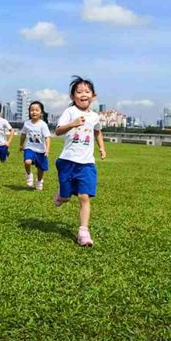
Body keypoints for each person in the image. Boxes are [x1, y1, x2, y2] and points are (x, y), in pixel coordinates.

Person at [53, 76, 107, 247]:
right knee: (66, 197)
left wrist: (101, 148)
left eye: (87, 91)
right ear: (72, 97)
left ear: (94, 96)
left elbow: (97, 132)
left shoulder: (94, 116)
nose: (83, 94)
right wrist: (73, 124)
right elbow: (58, 130)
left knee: (84, 196)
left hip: (87, 163)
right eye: (79, 92)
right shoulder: (70, 112)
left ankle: (83, 231)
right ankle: (62, 195)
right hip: (67, 161)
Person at [19, 101, 51, 190]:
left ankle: (39, 181)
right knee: (27, 162)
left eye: (37, 110)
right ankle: (29, 174)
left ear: (41, 112)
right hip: (29, 148)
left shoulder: (43, 125)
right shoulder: (27, 123)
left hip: (41, 150)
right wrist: (21, 145)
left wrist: (47, 150)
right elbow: (23, 135)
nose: (34, 112)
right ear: (29, 112)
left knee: (41, 169)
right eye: (32, 110)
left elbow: (47, 138)